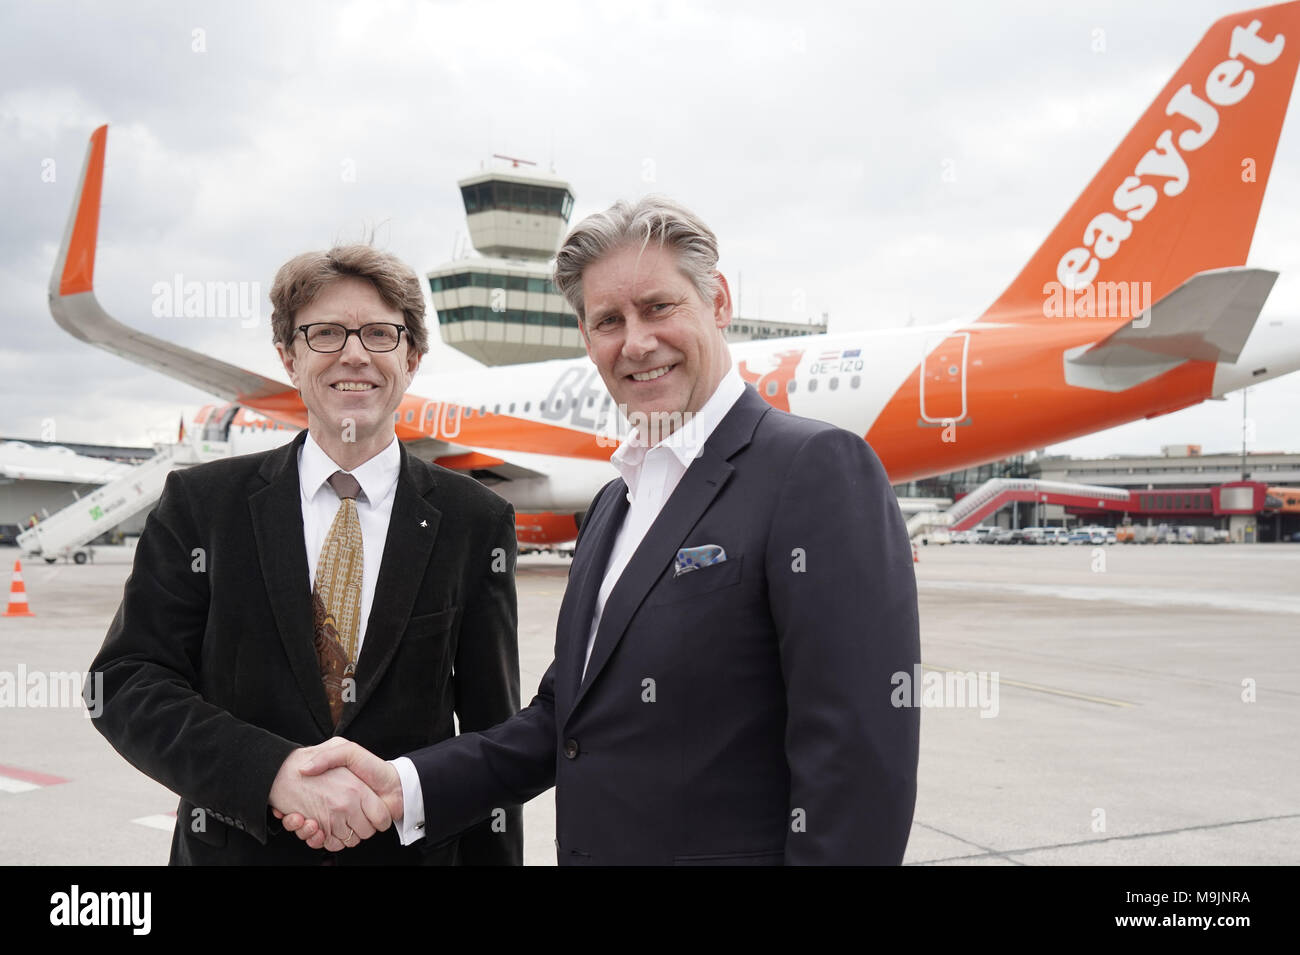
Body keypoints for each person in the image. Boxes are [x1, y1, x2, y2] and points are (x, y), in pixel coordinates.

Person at [286, 198, 920, 864]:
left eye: (658, 306)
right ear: (587, 338)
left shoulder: (813, 469)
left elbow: (856, 768)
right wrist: (404, 787)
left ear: (719, 301)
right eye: (608, 320)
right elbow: (564, 720)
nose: (636, 342)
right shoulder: (615, 504)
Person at [86, 245, 522, 865]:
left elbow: (489, 736)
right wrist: (273, 772)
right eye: (325, 334)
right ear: (289, 359)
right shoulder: (202, 505)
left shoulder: (476, 521)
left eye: (380, 334)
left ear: (412, 358)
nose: (354, 354)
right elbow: (125, 682)